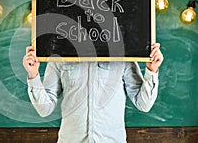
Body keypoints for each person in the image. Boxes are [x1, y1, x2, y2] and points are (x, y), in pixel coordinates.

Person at [23, 43, 164, 143]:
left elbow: (144, 104)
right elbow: (44, 109)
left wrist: (152, 71)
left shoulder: (124, 57)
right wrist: (33, 74)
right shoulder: (59, 58)